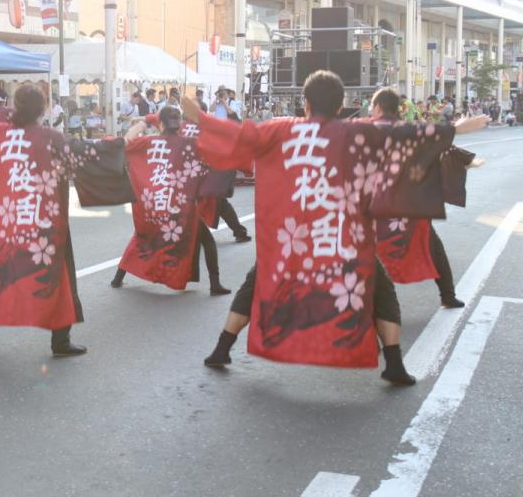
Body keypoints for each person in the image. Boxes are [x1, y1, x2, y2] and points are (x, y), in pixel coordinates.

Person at [182, 70, 487, 384]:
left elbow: (238, 136)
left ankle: (222, 348)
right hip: (342, 239)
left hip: (293, 242)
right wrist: (456, 128)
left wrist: (200, 117)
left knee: (257, 283)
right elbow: (405, 136)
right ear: (341, 105)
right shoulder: (356, 133)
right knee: (381, 291)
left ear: (305, 103)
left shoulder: (280, 129)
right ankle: (394, 363)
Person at [0, 85, 131, 357]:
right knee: (56, 275)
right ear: (43, 108)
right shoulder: (51, 138)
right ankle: (60, 341)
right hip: (43, 222)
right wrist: (123, 142)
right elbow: (90, 151)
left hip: (9, 221)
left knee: (1, 271)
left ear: (15, 106)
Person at [110, 108, 230, 295]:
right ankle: (215, 284)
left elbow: (123, 143)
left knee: (141, 239)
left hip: (154, 207)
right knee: (207, 240)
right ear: (179, 124)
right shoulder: (190, 144)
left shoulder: (147, 142)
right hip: (180, 210)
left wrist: (141, 124)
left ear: (161, 124)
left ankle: (117, 279)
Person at [369, 88, 468, 310]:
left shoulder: (366, 130)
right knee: (432, 247)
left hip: (376, 206)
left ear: (378, 107)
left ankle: (373, 305)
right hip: (411, 204)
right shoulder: (411, 130)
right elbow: (440, 146)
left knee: (367, 252)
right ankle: (448, 295)